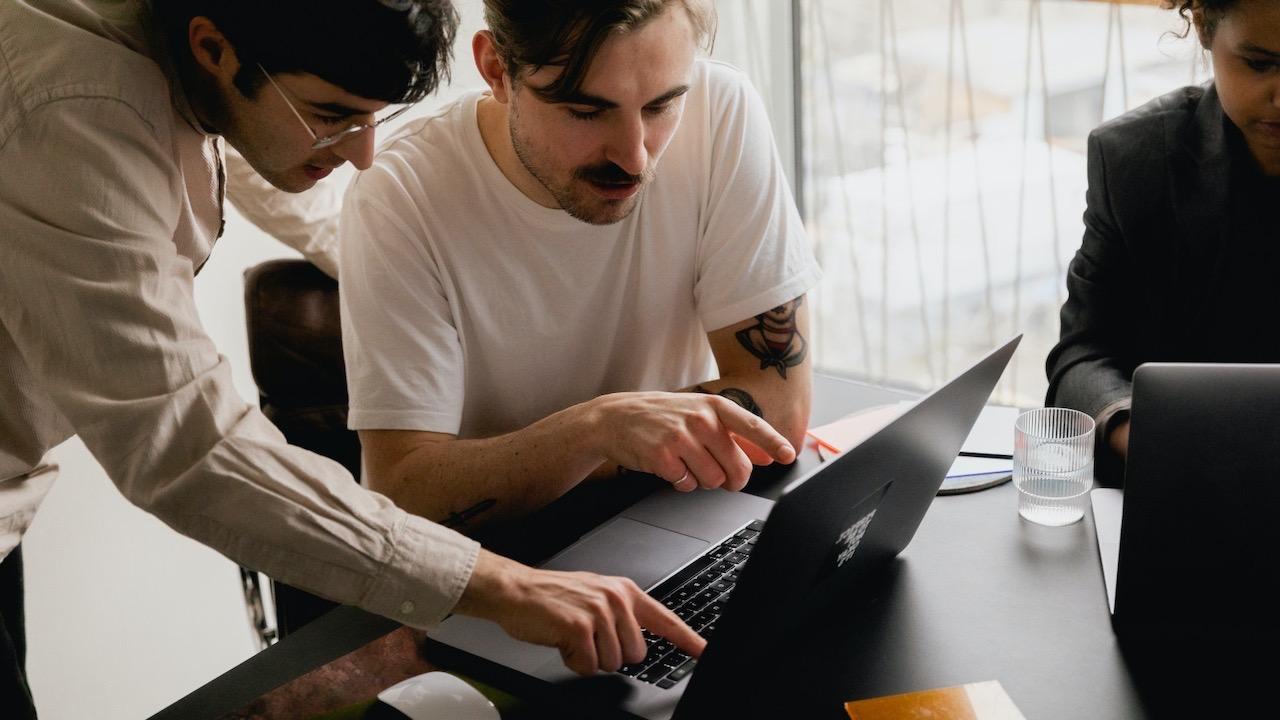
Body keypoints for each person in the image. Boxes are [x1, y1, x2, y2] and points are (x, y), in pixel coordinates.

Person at [0, 2, 708, 714]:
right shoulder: (78, 109)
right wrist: (508, 588)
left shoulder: (205, 41)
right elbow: (190, 448)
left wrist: (403, 267)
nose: (364, 153)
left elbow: (268, 145)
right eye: (333, 114)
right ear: (212, 46)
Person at [338, 0, 819, 534]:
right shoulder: (400, 194)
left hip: (674, 510)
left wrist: (609, 440)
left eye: (661, 107)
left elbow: (780, 409)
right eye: (586, 112)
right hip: (509, 554)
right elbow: (404, 495)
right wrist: (595, 430)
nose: (635, 158)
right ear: (497, 70)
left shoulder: (720, 110)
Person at [1046, 0, 1280, 486]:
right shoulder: (1135, 160)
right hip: (1180, 489)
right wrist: (1145, 438)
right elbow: (1082, 355)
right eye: (1260, 64)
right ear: (1202, 28)